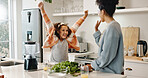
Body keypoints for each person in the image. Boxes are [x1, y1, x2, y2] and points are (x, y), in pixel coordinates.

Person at [84, 0, 124, 74]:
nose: (98, 14)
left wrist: (93, 65)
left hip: (111, 73)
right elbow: (102, 45)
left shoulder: (112, 27)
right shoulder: (113, 25)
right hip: (109, 73)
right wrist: (96, 31)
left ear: (103, 11)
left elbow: (106, 56)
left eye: (98, 11)